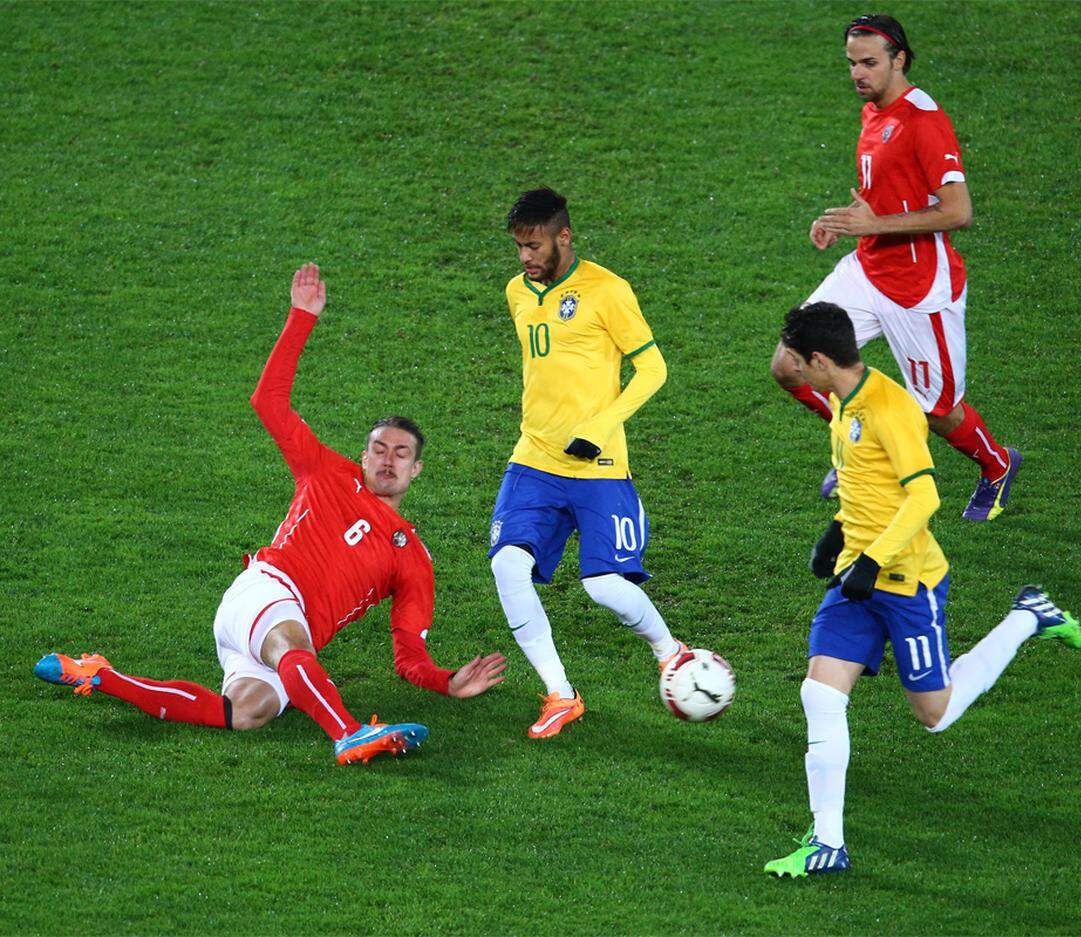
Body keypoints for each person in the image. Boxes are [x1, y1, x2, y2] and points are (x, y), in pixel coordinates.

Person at [35, 264, 506, 765]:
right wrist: (301, 317)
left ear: (417, 470)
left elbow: (408, 653)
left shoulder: (412, 557)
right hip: (269, 593)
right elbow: (269, 400)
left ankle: (98, 675)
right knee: (291, 646)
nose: (389, 459)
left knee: (247, 712)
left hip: (276, 632)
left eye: (402, 453)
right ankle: (347, 732)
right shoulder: (326, 470)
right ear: (363, 456)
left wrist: (445, 682)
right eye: (379, 449)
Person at [763, 302, 1081, 877]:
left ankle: (1027, 616)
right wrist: (836, 535)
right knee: (820, 695)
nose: (787, 367)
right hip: (856, 577)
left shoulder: (889, 408)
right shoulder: (841, 400)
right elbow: (866, 484)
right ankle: (827, 844)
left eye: (794, 357)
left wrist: (875, 561)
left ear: (818, 359)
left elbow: (924, 497)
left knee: (934, 714)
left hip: (908, 584)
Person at [771, 13, 1020, 522]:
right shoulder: (873, 111)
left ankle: (997, 466)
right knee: (790, 364)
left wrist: (872, 225)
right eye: (850, 64)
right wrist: (840, 223)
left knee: (938, 411)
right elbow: (882, 191)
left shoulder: (924, 120)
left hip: (920, 288)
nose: (857, 74)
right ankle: (863, 449)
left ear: (899, 59)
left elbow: (958, 211)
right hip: (867, 269)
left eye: (869, 63)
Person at [488, 188, 686, 740]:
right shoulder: (517, 292)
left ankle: (670, 652)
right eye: (519, 247)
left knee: (603, 585)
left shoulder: (608, 291)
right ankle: (560, 693)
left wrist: (599, 427)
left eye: (534, 245)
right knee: (507, 564)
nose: (525, 257)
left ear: (563, 236)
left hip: (599, 465)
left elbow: (652, 370)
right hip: (533, 457)